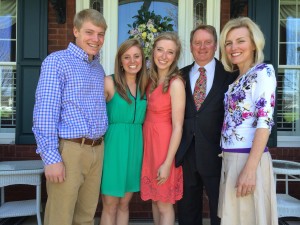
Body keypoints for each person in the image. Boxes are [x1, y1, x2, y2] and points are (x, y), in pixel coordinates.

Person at [32, 9, 108, 225]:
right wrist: (51, 158)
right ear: (75, 31)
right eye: (90, 32)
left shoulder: (98, 68)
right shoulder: (57, 62)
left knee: (85, 218)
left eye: (100, 34)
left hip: (97, 150)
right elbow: (45, 112)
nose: (96, 39)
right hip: (70, 152)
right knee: (60, 218)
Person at [217, 17, 278, 225]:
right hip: (230, 160)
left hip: (248, 161)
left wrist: (250, 170)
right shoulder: (236, 80)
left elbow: (265, 122)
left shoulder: (263, 72)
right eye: (228, 42)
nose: (233, 47)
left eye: (240, 41)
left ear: (253, 43)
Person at [175, 25, 236, 225]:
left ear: (216, 45)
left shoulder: (230, 75)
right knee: (187, 212)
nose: (202, 47)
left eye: (207, 42)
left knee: (220, 211)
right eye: (197, 43)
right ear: (191, 47)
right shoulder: (179, 76)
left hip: (218, 154)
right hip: (186, 154)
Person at [100, 39, 148, 225]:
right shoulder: (109, 82)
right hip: (113, 148)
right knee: (110, 204)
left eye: (136, 56)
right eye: (126, 57)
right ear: (120, 61)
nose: (132, 61)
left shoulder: (146, 86)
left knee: (125, 204)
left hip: (136, 147)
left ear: (142, 60)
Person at [140, 32, 185, 225]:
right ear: (152, 52)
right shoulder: (149, 81)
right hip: (149, 147)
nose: (164, 56)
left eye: (170, 52)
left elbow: (178, 127)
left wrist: (168, 163)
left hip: (165, 148)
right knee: (155, 201)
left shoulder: (176, 84)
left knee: (165, 204)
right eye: (160, 50)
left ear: (175, 57)